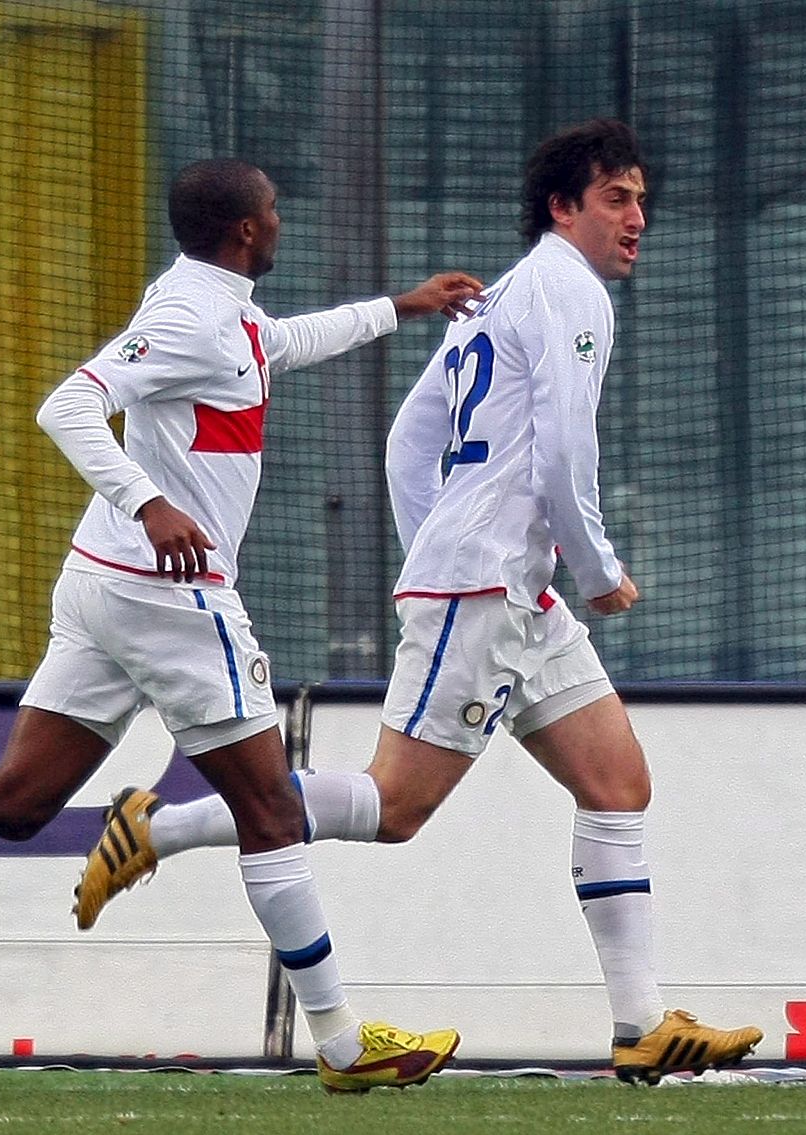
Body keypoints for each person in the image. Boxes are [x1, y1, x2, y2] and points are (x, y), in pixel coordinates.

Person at [0, 157, 484, 1094]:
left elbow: (280, 343)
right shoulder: (189, 314)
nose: (281, 221)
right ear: (245, 231)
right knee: (270, 812)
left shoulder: (222, 307)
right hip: (168, 593)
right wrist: (150, 501)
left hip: (103, 584)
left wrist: (406, 303)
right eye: (273, 210)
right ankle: (346, 1044)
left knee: (21, 799)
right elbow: (65, 405)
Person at [73, 121, 764, 1085]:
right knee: (396, 809)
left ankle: (642, 1024)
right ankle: (166, 825)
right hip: (488, 587)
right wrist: (590, 567)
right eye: (617, 198)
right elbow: (565, 451)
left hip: (504, 585)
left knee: (618, 783)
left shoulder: (506, 292)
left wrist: (439, 546)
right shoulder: (567, 290)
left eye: (642, 199)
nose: (637, 218)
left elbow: (411, 436)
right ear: (564, 208)